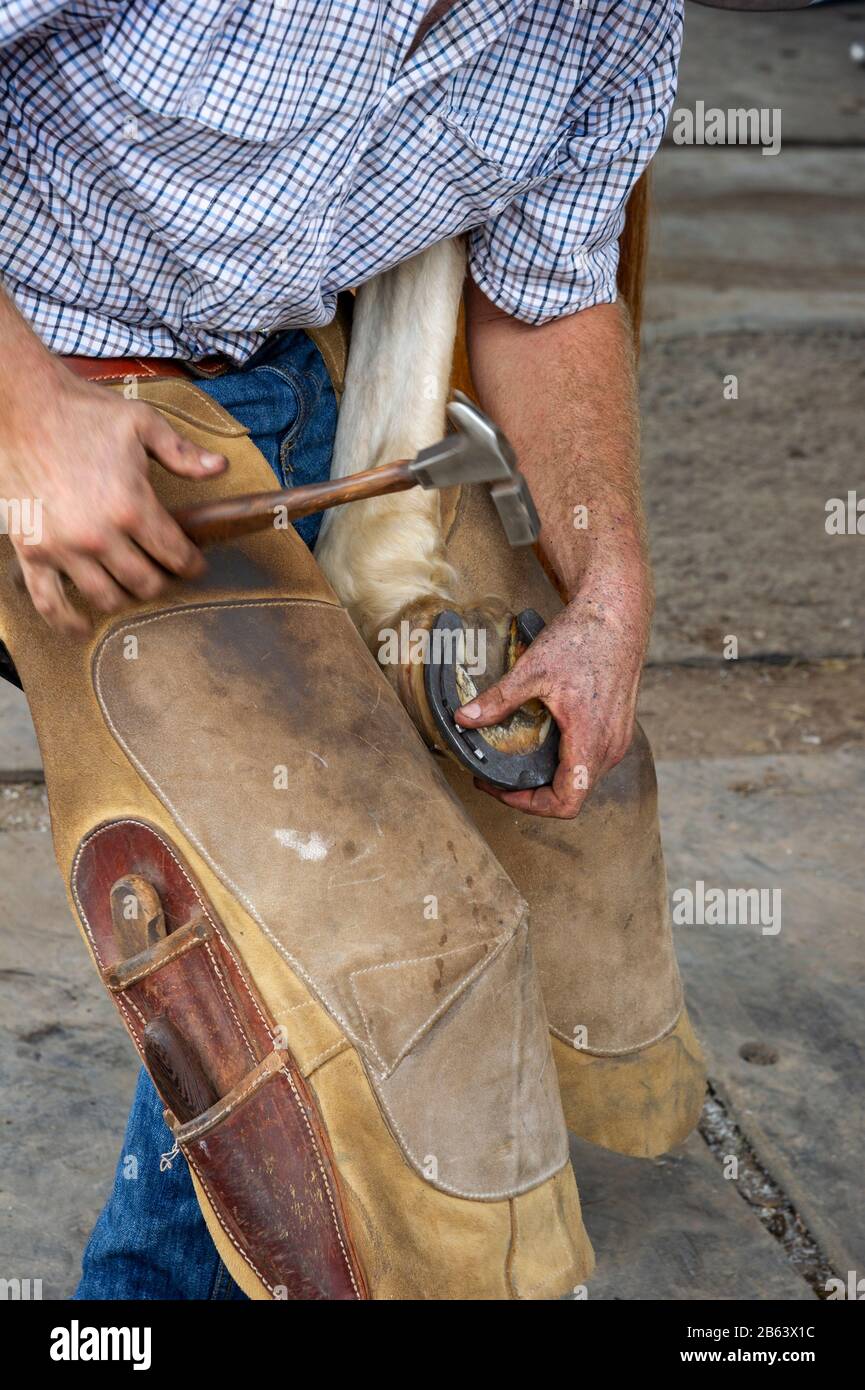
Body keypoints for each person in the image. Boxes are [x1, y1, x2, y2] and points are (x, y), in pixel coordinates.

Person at [0, 1, 688, 1299]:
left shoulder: (616, 15)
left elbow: (546, 292)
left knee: (549, 799)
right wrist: (28, 410)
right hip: (48, 369)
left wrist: (609, 590)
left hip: (316, 373)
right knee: (374, 960)